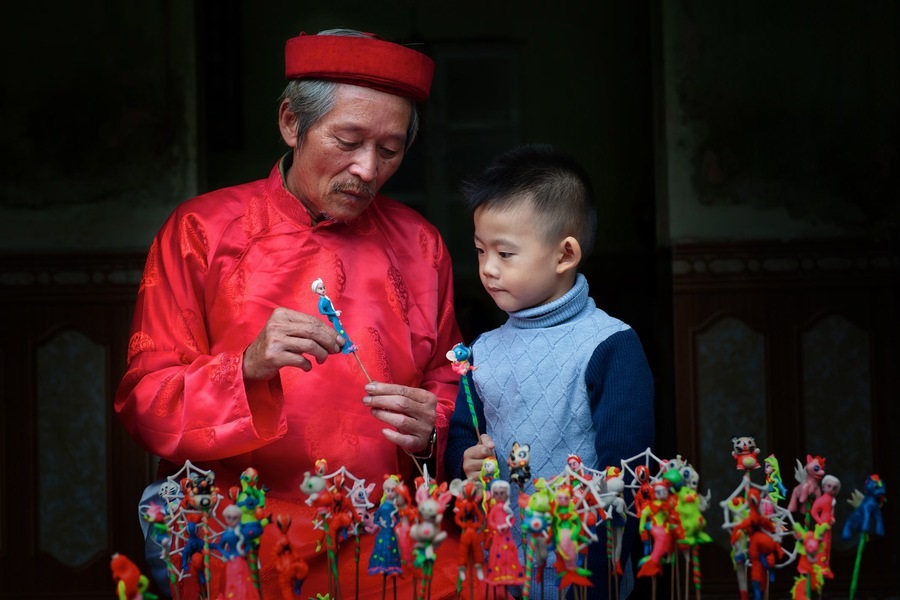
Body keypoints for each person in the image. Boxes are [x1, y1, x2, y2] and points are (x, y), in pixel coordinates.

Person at [115, 28, 463, 598]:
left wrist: (434, 428)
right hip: (240, 535)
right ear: (290, 123)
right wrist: (246, 365)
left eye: (390, 150)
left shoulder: (420, 244)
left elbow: (449, 380)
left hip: (382, 541)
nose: (367, 169)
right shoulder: (202, 232)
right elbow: (146, 400)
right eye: (348, 140)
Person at [444, 144, 655, 599]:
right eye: (480, 251)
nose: (487, 269)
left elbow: (627, 469)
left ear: (565, 255)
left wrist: (612, 561)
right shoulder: (481, 351)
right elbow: (461, 435)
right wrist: (464, 459)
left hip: (585, 557)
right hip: (500, 555)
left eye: (505, 253)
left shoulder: (610, 345)